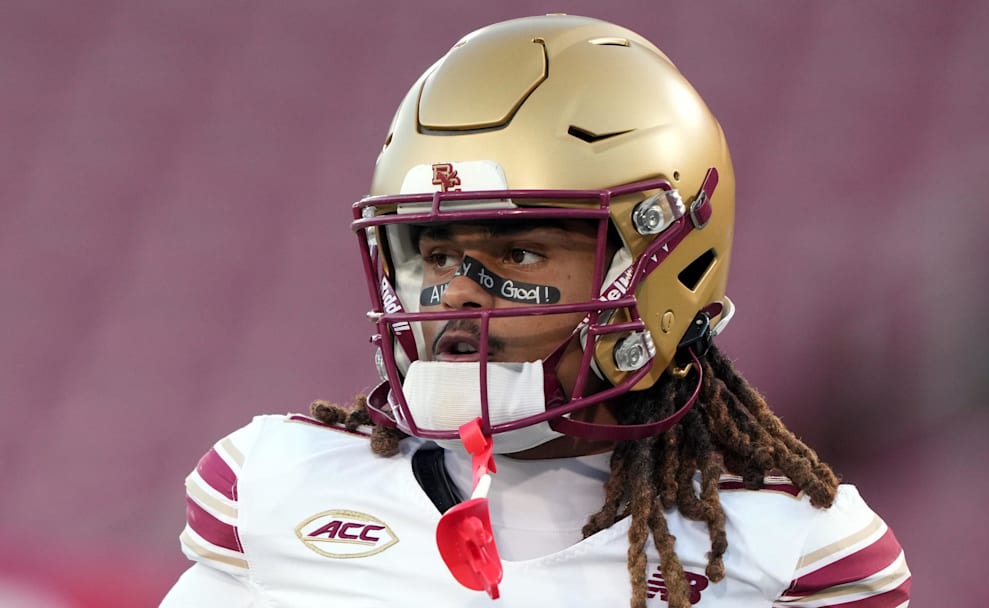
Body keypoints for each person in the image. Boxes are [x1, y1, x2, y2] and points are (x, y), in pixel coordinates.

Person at [160, 14, 911, 608]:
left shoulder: (791, 553)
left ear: (664, 267)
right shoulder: (275, 489)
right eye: (435, 253)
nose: (455, 292)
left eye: (517, 254)